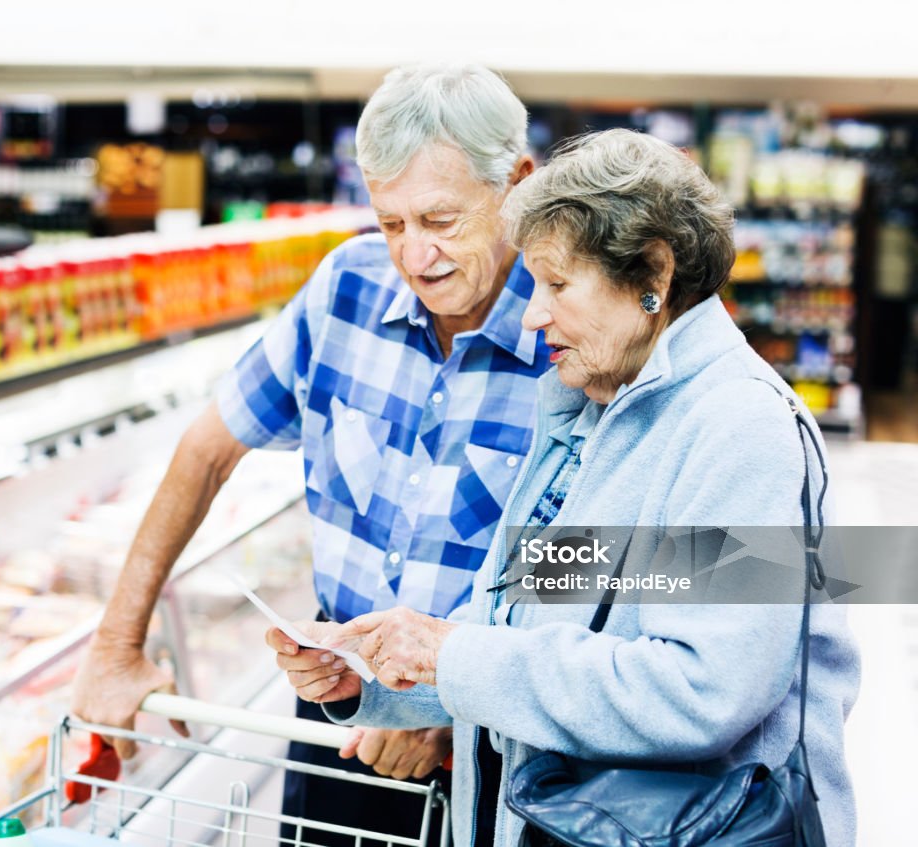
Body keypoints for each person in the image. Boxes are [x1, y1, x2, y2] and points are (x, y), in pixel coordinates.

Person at [272, 129, 861, 847]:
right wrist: (378, 674)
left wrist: (449, 654)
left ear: (653, 274)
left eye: (556, 283)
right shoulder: (590, 408)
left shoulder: (741, 428)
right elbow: (532, 618)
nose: (531, 313)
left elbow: (704, 688)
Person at [71, 63, 550, 845]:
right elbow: (204, 451)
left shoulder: (571, 329)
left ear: (518, 185)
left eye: (440, 219)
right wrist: (116, 645)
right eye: (392, 223)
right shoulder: (345, 290)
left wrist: (462, 698)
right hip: (340, 710)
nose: (415, 256)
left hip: (493, 745)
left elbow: (620, 574)